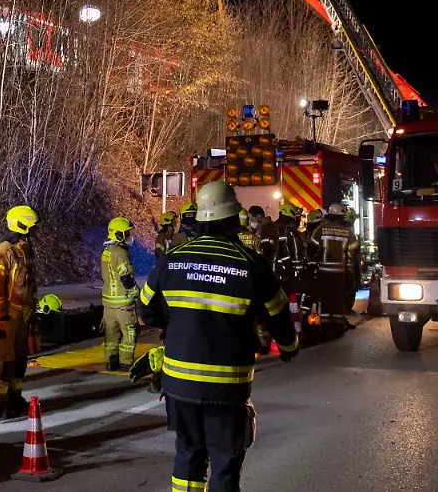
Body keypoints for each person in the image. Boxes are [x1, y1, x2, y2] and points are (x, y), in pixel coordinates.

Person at [139, 181, 298, 492]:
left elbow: (146, 311)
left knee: (188, 453)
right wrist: (289, 346)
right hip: (228, 387)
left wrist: (179, 324)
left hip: (179, 381)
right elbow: (278, 315)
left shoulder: (172, 259)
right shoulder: (251, 264)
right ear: (233, 220)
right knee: (225, 460)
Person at [0, 205, 40, 418]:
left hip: (23, 313)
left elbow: (31, 282)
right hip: (6, 314)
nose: (35, 231)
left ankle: (15, 396)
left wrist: (33, 308)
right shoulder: (3, 252)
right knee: (3, 359)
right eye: (32, 227)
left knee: (20, 357)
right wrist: (0, 316)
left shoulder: (25, 249)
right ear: (22, 225)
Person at [307, 203, 357, 330]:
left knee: (325, 297)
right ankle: (338, 324)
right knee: (338, 298)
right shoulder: (347, 232)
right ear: (341, 217)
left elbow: (311, 248)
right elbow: (354, 250)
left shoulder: (320, 229)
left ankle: (324, 323)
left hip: (323, 271)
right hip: (340, 272)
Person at [101, 217, 140, 371]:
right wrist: (136, 293)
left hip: (108, 304)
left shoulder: (106, 252)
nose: (130, 236)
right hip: (123, 304)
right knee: (129, 333)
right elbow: (126, 278)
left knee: (111, 335)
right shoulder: (121, 253)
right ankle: (125, 362)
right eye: (127, 233)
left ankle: (111, 362)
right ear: (119, 235)